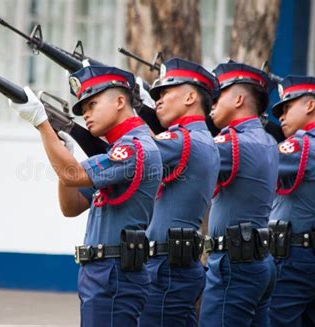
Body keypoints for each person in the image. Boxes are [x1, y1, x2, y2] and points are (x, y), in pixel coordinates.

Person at [8, 65, 162, 326]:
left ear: (120, 101)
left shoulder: (134, 148)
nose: (86, 115)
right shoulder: (116, 151)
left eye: (92, 105)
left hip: (114, 274)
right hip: (103, 272)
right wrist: (63, 153)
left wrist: (42, 123)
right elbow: (71, 206)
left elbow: (73, 175)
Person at [138, 58, 220, 326]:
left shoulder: (183, 139)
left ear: (190, 97)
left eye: (165, 92)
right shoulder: (197, 138)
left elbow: (131, 155)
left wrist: (124, 110)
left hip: (165, 269)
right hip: (172, 265)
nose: (158, 101)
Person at [199, 60, 278, 326]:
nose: (212, 105)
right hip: (258, 260)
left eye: (217, 96)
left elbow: (178, 162)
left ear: (239, 99)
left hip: (233, 264)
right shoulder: (267, 140)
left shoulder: (232, 141)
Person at [268, 75, 315, 326]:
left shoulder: (301, 146)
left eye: (287, 108)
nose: (281, 117)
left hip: (294, 259)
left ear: (310, 106)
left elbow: (256, 165)